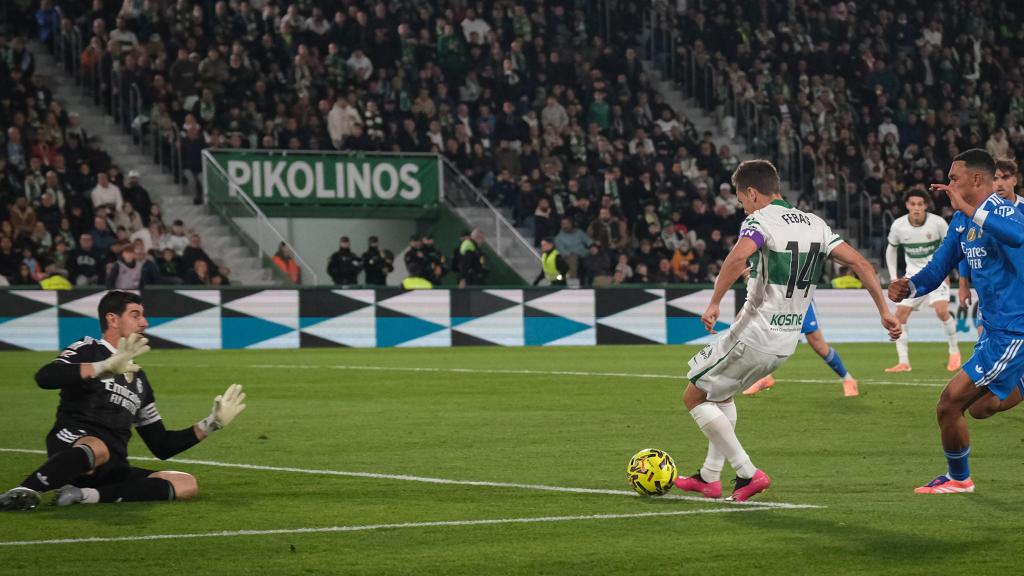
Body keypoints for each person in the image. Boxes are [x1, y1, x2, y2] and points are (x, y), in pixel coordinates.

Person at [676, 160, 899, 502]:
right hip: (786, 340)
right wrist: (885, 311)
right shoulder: (816, 224)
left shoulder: (759, 220)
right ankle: (709, 476)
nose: (742, 206)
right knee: (720, 396)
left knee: (694, 396)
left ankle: (747, 472)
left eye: (741, 199)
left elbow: (738, 259)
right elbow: (862, 264)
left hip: (753, 333)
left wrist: (714, 302)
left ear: (752, 193)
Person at [0, 291, 246, 510]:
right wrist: (103, 367)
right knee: (98, 448)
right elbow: (45, 377)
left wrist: (211, 423)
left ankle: (84, 495)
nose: (144, 323)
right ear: (113, 319)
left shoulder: (140, 380)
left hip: (113, 465)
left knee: (185, 483)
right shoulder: (89, 349)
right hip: (73, 446)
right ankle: (25, 491)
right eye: (136, 315)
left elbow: (162, 445)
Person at [890, 149, 1024, 495]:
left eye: (953, 178)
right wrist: (911, 285)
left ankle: (958, 478)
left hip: (1016, 329)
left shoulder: (1006, 211)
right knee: (980, 408)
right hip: (994, 330)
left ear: (976, 179)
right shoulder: (962, 223)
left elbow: (1017, 236)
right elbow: (938, 268)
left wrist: (970, 209)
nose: (947, 184)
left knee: (949, 403)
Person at [885, 189, 960, 373]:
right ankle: (904, 362)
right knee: (899, 316)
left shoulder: (938, 223)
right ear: (907, 206)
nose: (916, 208)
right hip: (912, 276)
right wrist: (894, 277)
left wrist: (947, 273)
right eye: (913, 204)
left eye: (920, 204)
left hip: (936, 273)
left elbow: (951, 248)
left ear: (926, 205)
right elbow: (891, 250)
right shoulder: (898, 226)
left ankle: (954, 352)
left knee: (942, 312)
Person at [742, 300, 860, 397]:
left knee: (818, 344)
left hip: (801, 297)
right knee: (765, 336)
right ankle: (764, 377)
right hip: (777, 298)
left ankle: (848, 379)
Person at [958, 158, 1020, 336]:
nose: (999, 184)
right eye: (994, 179)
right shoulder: (978, 213)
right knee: (983, 337)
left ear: (1015, 179)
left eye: (1004, 178)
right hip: (990, 293)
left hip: (1017, 293)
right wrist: (963, 284)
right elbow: (965, 247)